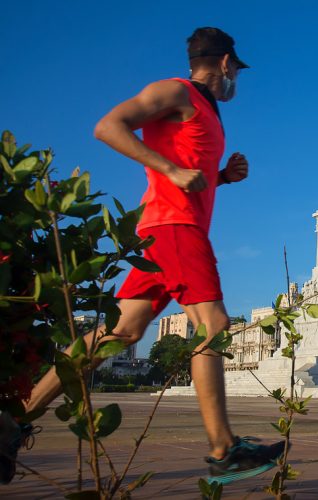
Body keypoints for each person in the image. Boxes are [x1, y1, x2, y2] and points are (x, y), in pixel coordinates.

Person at [0, 27, 283, 486]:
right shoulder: (176, 90)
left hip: (164, 230)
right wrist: (170, 168)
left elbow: (190, 173)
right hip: (174, 228)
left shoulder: (206, 112)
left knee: (120, 332)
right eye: (237, 72)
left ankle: (12, 421)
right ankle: (223, 448)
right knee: (213, 326)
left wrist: (222, 178)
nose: (236, 82)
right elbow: (108, 126)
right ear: (227, 63)